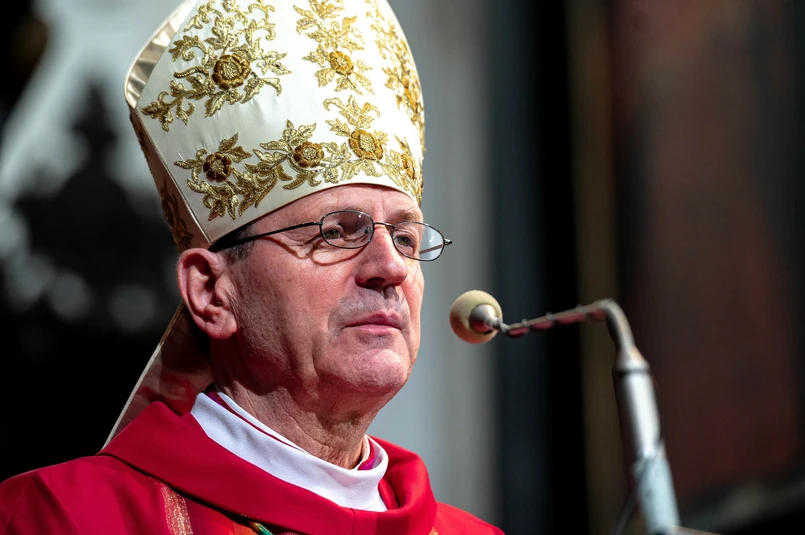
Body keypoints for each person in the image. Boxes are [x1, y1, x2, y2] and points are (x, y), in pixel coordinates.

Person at [0, 0, 505, 533]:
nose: (390, 267)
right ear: (211, 292)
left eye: (404, 238)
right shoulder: (64, 516)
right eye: (336, 233)